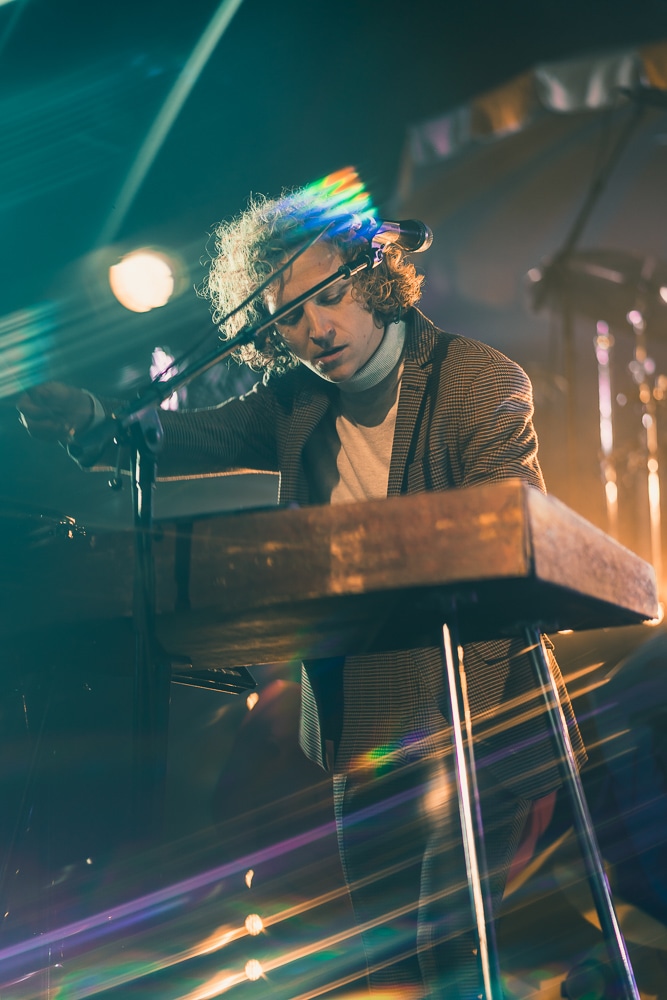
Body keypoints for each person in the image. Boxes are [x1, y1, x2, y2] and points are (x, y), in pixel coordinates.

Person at [17, 177, 585, 999]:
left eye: (330, 297)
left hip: (484, 719)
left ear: (374, 278)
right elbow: (180, 434)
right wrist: (99, 420)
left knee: (454, 957)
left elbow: (513, 532)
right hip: (367, 731)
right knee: (391, 965)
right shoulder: (294, 402)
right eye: (288, 316)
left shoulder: (475, 379)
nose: (315, 330)